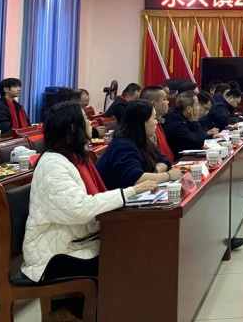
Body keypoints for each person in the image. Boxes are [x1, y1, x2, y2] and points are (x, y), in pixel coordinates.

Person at [21, 102, 157, 319]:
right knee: (122, 261)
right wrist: (128, 193)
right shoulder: (53, 165)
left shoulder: (74, 157)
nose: (89, 123)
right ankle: (77, 313)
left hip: (77, 240)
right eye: (84, 119)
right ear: (72, 127)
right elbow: (79, 208)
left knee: (134, 251)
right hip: (55, 254)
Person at [96, 99, 181, 190]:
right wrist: (168, 175)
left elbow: (164, 160)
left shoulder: (140, 139)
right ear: (142, 122)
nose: (157, 122)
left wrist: (155, 173)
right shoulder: (122, 145)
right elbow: (137, 179)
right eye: (154, 118)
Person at [140, 85, 174, 163]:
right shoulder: (148, 128)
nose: (168, 102)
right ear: (153, 104)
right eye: (165, 99)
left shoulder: (159, 121)